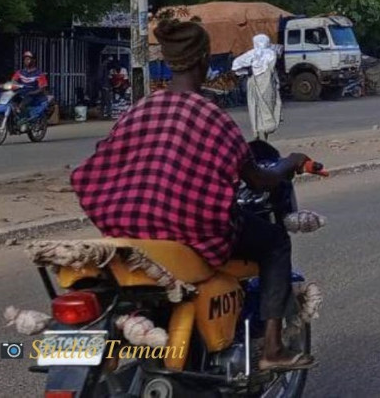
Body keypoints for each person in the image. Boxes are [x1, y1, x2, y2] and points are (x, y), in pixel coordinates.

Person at [71, 18, 315, 371]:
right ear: (202, 59)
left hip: (129, 231)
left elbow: (107, 157)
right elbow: (259, 180)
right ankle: (273, 350)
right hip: (186, 233)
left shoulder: (140, 109)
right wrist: (291, 162)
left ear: (169, 62)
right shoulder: (213, 117)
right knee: (276, 242)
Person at [232, 34, 282, 141]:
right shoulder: (271, 53)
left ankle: (259, 134)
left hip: (255, 85)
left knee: (256, 109)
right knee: (267, 108)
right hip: (267, 86)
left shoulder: (252, 54)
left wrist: (249, 69)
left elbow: (236, 65)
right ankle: (264, 135)